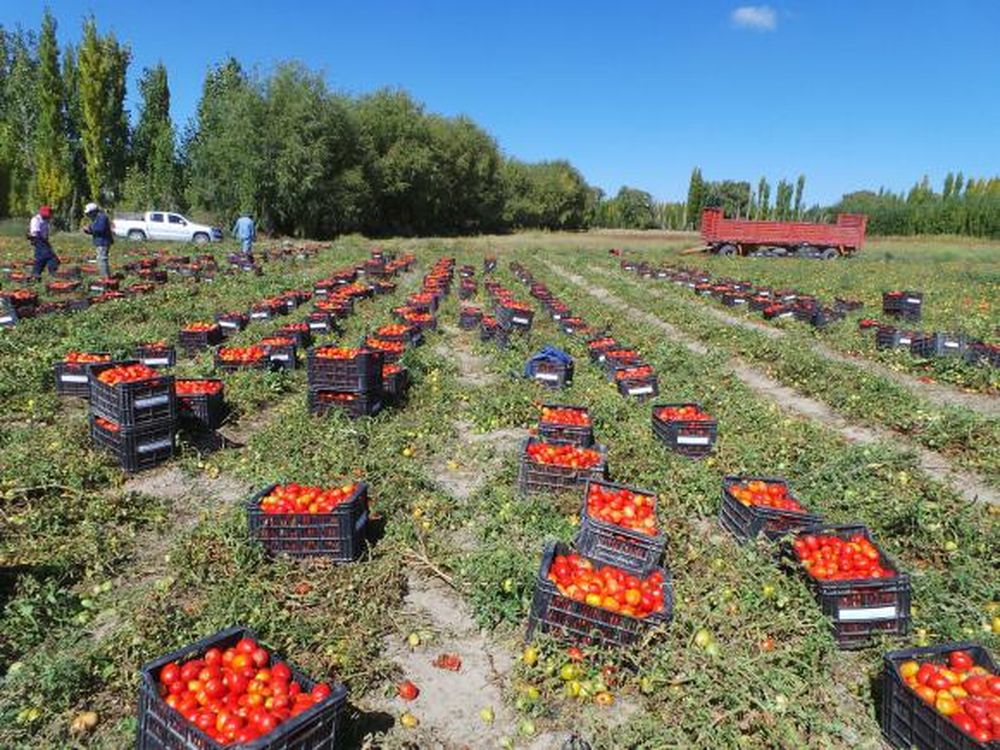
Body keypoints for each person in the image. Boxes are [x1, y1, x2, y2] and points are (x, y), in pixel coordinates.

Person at [27, 204, 60, 278]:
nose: (48, 216)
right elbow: (36, 233)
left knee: (41, 258)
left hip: (43, 240)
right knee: (50, 258)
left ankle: (36, 274)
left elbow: (45, 232)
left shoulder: (45, 220)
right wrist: (44, 242)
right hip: (38, 240)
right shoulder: (36, 219)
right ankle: (52, 273)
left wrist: (47, 242)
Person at [82, 202, 114, 278]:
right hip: (100, 241)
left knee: (102, 260)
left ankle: (106, 278)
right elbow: (95, 230)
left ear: (94, 211)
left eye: (89, 213)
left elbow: (100, 229)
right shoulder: (97, 218)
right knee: (100, 259)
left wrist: (89, 228)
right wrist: (88, 231)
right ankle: (104, 276)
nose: (88, 215)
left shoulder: (102, 217)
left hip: (103, 242)